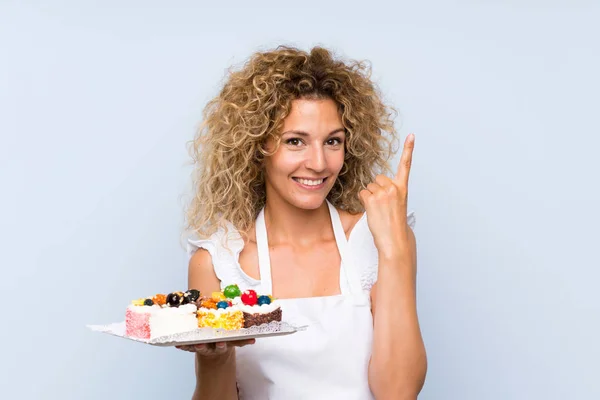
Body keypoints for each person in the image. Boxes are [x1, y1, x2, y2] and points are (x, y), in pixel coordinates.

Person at [178, 45, 427, 400]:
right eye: (295, 141)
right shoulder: (219, 264)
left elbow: (398, 393)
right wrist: (214, 360)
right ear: (257, 146)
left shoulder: (375, 242)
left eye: (333, 141)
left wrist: (394, 249)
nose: (319, 162)